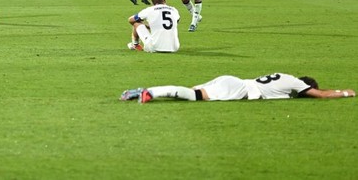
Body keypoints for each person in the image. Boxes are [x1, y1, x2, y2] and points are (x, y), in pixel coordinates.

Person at [121, 73, 355, 104]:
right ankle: (151, 92)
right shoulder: (297, 84)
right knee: (195, 96)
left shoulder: (284, 76)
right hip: (240, 89)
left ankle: (144, 90)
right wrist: (347, 92)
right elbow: (321, 94)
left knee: (189, 91)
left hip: (233, 80)